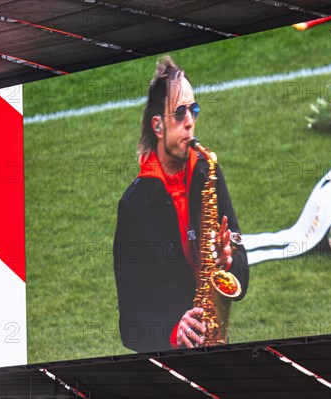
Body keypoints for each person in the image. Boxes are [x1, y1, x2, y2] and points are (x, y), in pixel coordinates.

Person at [113, 56, 249, 352]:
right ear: (158, 126)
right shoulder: (135, 206)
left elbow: (240, 265)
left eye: (194, 109)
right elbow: (130, 325)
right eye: (179, 113)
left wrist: (229, 260)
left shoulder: (206, 170)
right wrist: (173, 331)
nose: (190, 121)